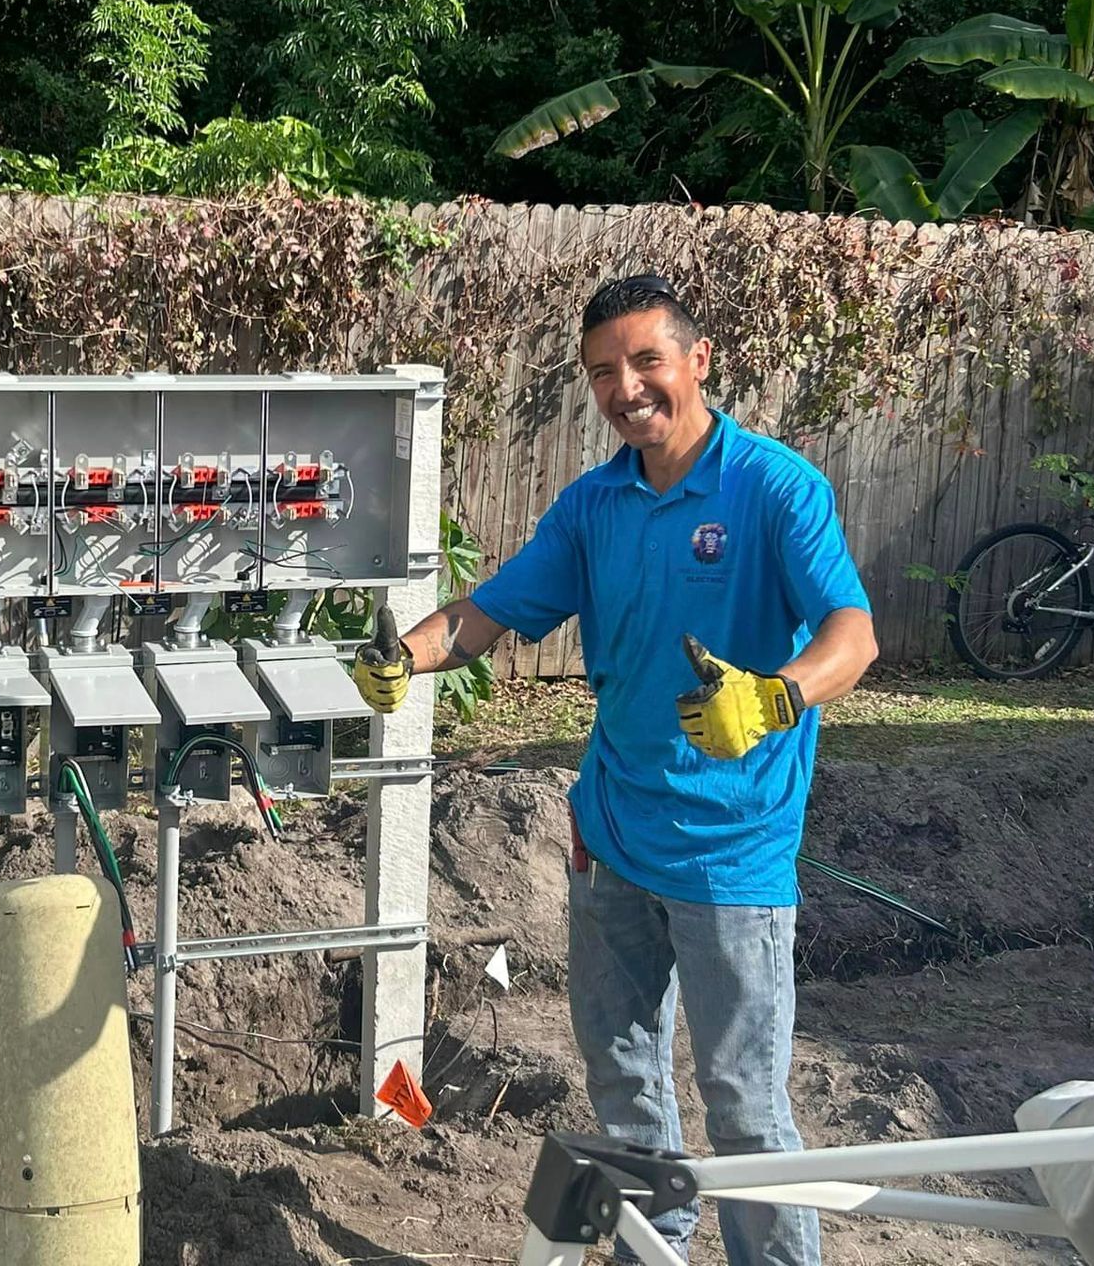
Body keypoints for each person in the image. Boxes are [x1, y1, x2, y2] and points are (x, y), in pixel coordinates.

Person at [353, 274, 877, 1266]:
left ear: (698, 361)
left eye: (645, 362)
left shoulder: (774, 488)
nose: (626, 388)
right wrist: (408, 654)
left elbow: (854, 633)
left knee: (746, 1103)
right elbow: (494, 610)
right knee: (624, 1081)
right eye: (603, 373)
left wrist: (775, 696)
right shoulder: (595, 504)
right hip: (613, 841)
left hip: (731, 853)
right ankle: (653, 1252)